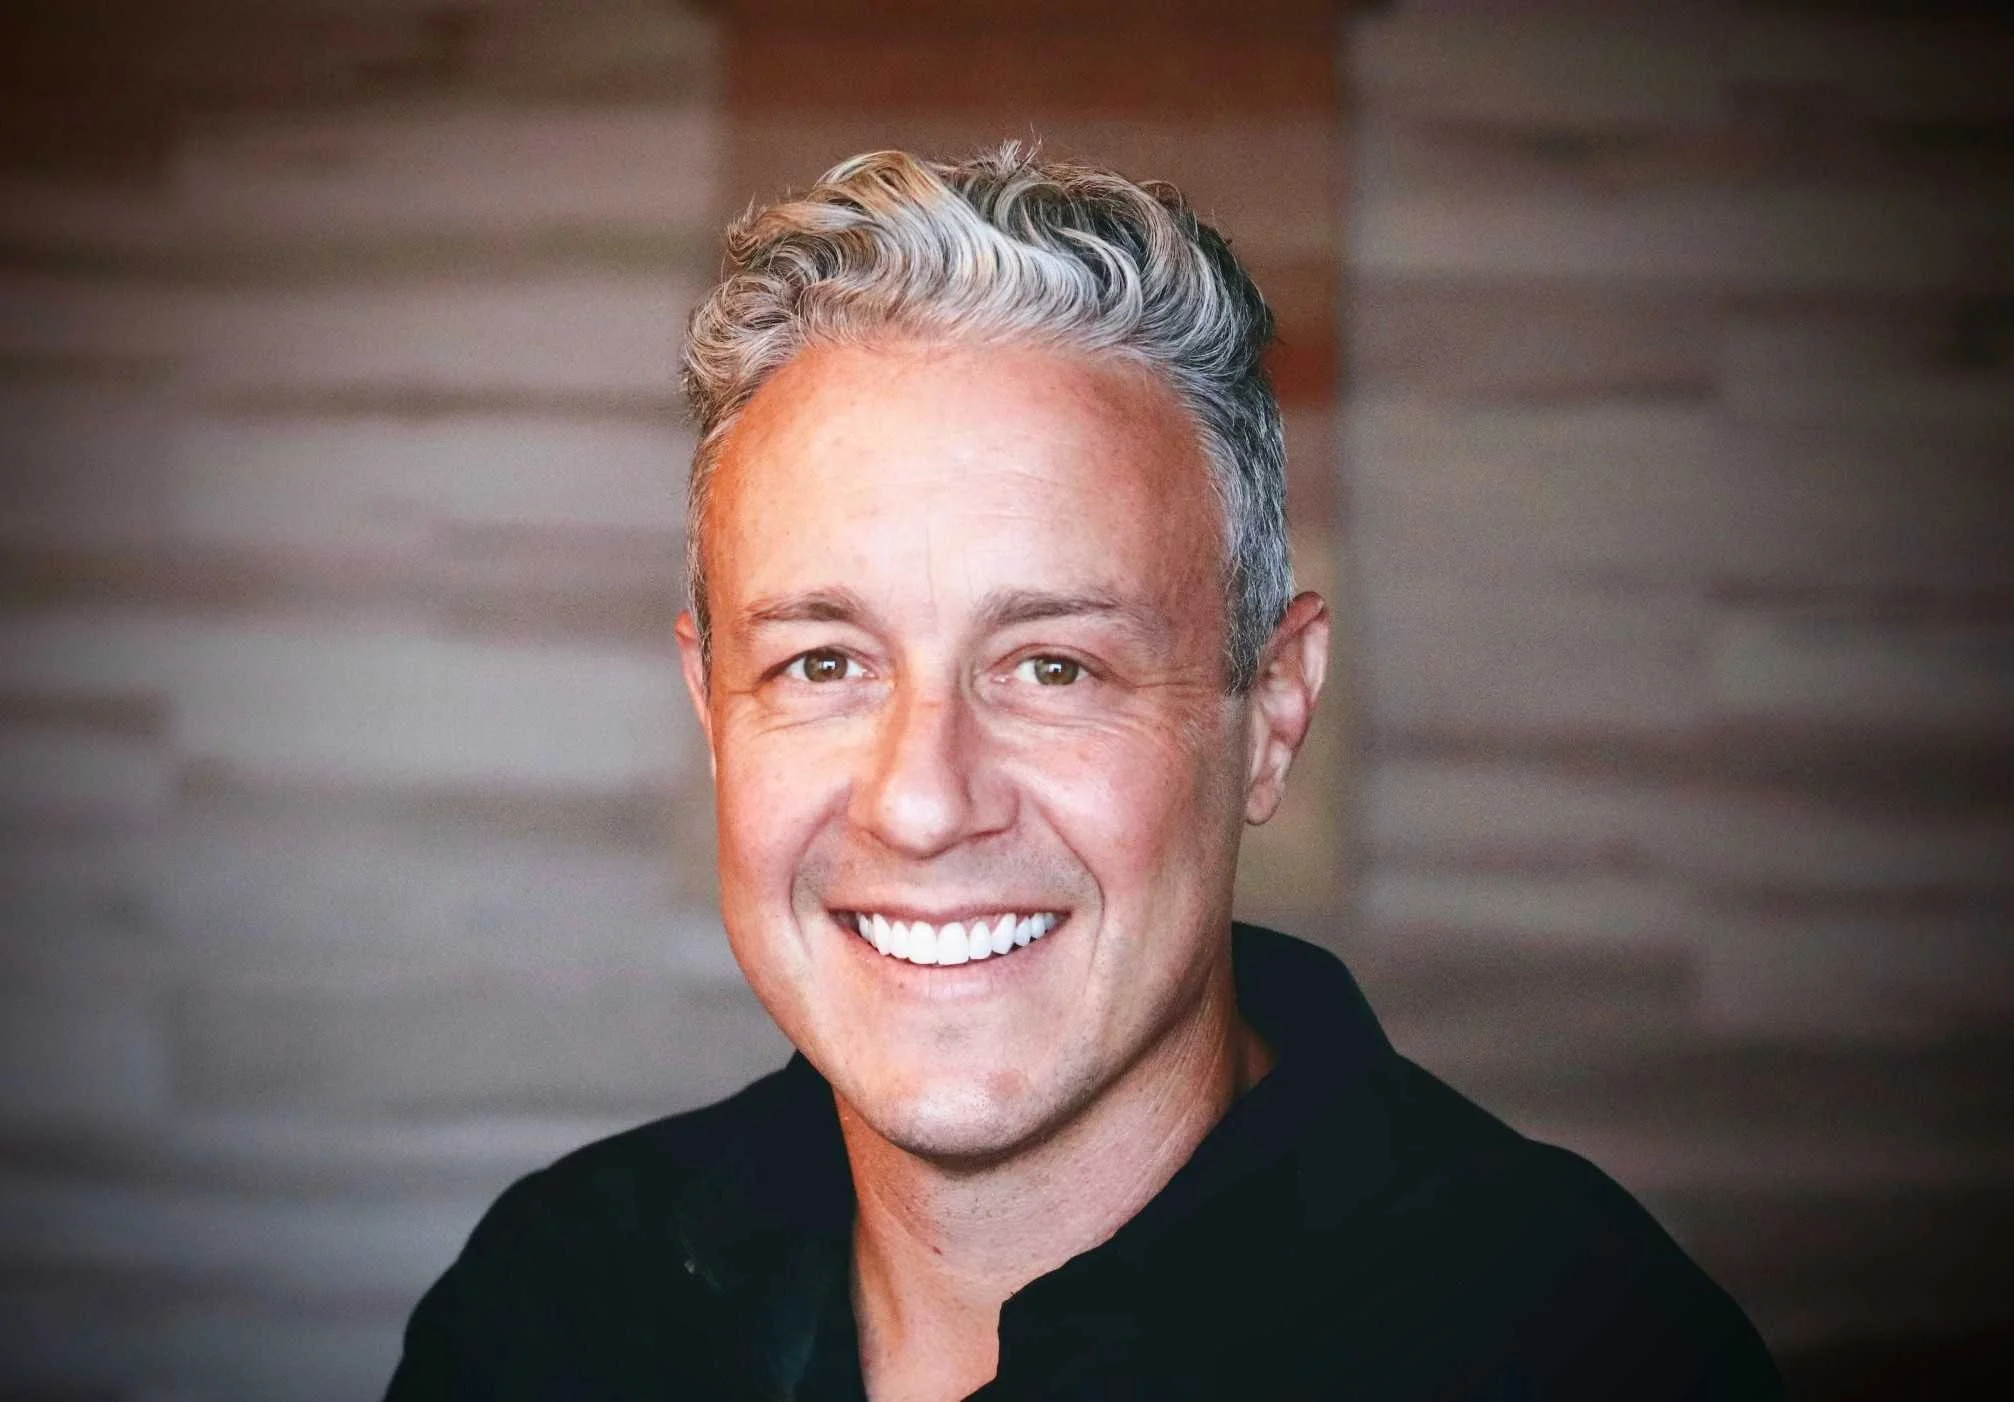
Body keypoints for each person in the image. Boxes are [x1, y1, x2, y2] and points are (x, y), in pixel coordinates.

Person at [384, 146, 1779, 1401]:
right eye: (823, 662)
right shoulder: (554, 1310)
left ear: (1272, 710)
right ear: (711, 709)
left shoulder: (1589, 1357)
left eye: (1052, 665)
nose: (921, 801)